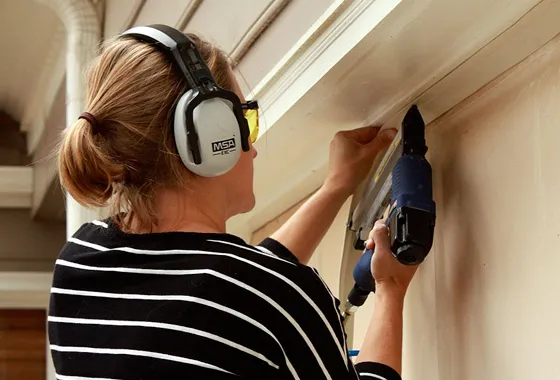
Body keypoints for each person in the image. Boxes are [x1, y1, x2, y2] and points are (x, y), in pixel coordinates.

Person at [50, 24, 418, 380]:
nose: (253, 146)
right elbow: (250, 295)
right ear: (213, 138)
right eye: (244, 119)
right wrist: (391, 289)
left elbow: (229, 294)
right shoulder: (277, 297)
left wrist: (335, 187)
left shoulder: (80, 262)